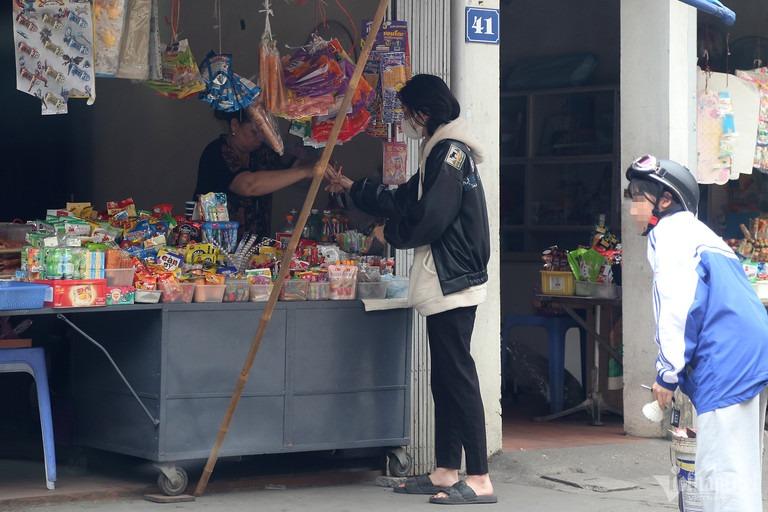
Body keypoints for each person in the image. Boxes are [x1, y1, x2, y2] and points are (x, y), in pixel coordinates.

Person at [327, 74, 496, 506]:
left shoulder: (450, 153)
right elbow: (407, 198)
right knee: (445, 376)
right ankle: (445, 469)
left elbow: (428, 218)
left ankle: (479, 477)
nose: (403, 120)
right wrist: (356, 190)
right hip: (449, 276)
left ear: (421, 113)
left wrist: (390, 233)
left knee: (458, 376)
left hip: (452, 277)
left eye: (405, 112)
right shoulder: (441, 150)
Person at [626, 154, 768, 511]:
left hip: (728, 357)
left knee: (721, 471)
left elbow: (677, 308)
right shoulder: (696, 233)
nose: (631, 205)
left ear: (665, 199)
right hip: (744, 352)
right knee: (737, 465)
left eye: (638, 195)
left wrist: (667, 373)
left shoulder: (669, 233)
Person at [194, 107, 321, 237]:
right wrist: (305, 171)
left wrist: (317, 166)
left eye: (263, 133)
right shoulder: (217, 152)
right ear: (235, 126)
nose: (260, 138)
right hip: (215, 243)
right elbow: (249, 185)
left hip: (255, 244)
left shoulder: (262, 152)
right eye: (254, 132)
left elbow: (290, 169)